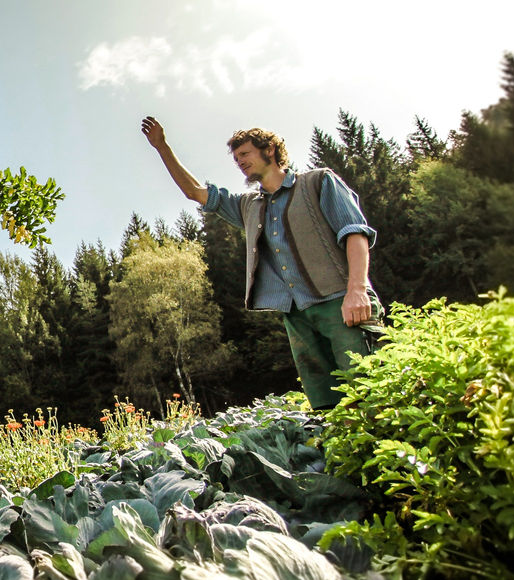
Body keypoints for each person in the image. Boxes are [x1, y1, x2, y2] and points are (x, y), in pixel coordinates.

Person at [140, 116, 383, 410]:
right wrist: (162, 147)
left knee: (370, 394)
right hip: (296, 316)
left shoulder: (318, 182)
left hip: (341, 302)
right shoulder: (249, 205)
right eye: (236, 158)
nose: (239, 162)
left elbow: (354, 232)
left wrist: (356, 290)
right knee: (327, 407)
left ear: (269, 149)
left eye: (245, 154)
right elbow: (195, 192)